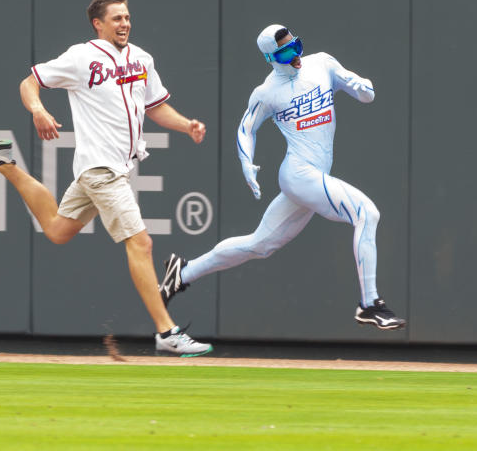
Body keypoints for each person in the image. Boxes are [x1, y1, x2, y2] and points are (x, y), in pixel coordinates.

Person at [0, 0, 213, 356]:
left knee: (58, 230)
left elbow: (156, 108)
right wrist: (38, 110)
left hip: (114, 169)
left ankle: (1, 163)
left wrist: (187, 125)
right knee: (141, 243)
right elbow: (29, 83)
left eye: (126, 17)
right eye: (116, 19)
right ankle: (166, 331)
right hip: (101, 169)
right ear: (98, 24)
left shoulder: (142, 58)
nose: (124, 23)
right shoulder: (82, 57)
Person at [159, 24, 406, 330]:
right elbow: (246, 130)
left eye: (297, 45)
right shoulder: (267, 92)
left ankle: (181, 273)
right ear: (270, 58)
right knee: (366, 213)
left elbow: (364, 93)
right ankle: (370, 304)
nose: (296, 54)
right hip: (299, 174)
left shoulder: (321, 63)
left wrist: (361, 86)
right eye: (287, 51)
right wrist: (246, 162)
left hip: (314, 175)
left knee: (258, 245)